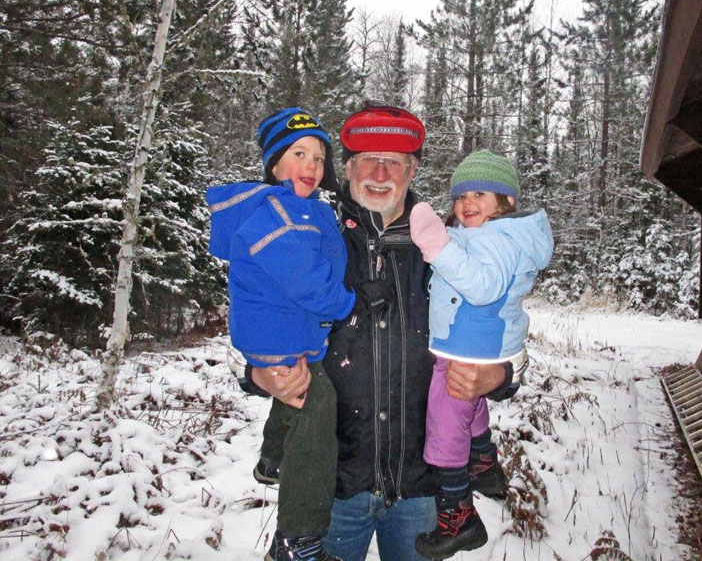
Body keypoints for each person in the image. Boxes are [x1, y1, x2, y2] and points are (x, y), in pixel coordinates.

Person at [247, 102, 521, 561]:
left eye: (394, 161)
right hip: (332, 488)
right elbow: (263, 315)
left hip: (421, 486)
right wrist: (258, 375)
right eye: (367, 160)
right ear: (348, 169)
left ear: (412, 171)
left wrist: (498, 375)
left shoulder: (451, 249)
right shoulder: (309, 236)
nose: (380, 172)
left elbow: (504, 321)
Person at [207, 107, 381, 561]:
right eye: (299, 153)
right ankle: (297, 539)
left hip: (291, 332)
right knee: (315, 405)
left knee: (302, 389)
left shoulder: (306, 210)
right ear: (274, 164)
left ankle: (272, 458)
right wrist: (347, 304)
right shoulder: (275, 213)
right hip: (275, 332)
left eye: (319, 158)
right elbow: (306, 279)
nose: (311, 166)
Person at [409, 149, 553, 560]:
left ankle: (458, 514)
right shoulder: (497, 235)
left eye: (480, 194)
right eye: (460, 196)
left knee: (445, 420)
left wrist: (438, 246)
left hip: (470, 347)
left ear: (506, 202)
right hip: (478, 342)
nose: (466, 203)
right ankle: (484, 461)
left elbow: (483, 285)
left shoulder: (498, 239)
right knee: (468, 409)